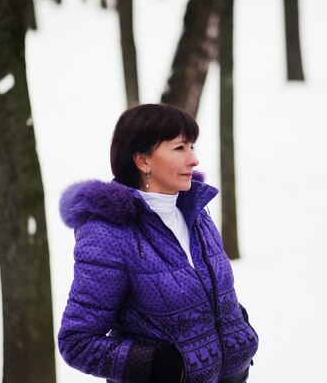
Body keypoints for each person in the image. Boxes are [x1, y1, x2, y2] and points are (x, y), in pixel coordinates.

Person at [58, 103, 258, 383]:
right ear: (143, 160)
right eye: (179, 149)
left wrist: (236, 325)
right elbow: (77, 342)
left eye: (192, 147)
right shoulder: (109, 234)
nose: (194, 160)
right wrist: (158, 367)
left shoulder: (196, 212)